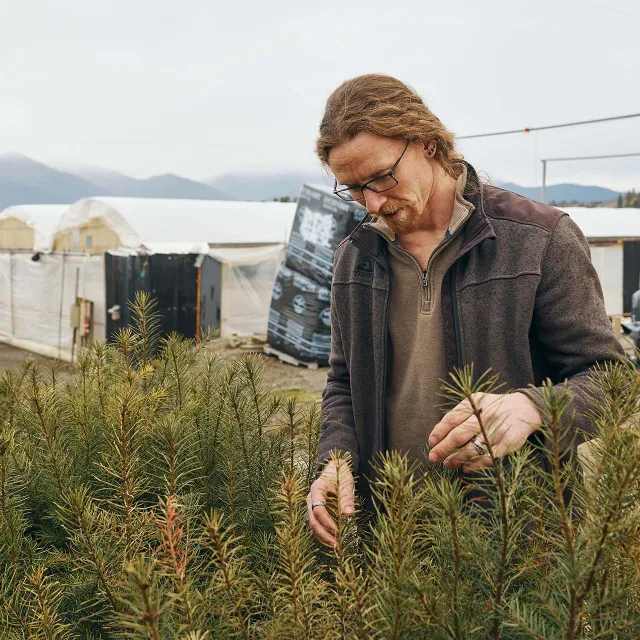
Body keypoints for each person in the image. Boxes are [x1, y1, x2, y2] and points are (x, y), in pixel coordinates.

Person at [306, 74, 625, 547]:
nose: (372, 202)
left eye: (381, 177)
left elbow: (611, 379)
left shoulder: (538, 240)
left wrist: (532, 408)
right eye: (353, 190)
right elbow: (343, 383)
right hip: (390, 541)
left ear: (429, 143)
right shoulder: (354, 257)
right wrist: (335, 461)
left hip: (514, 540)